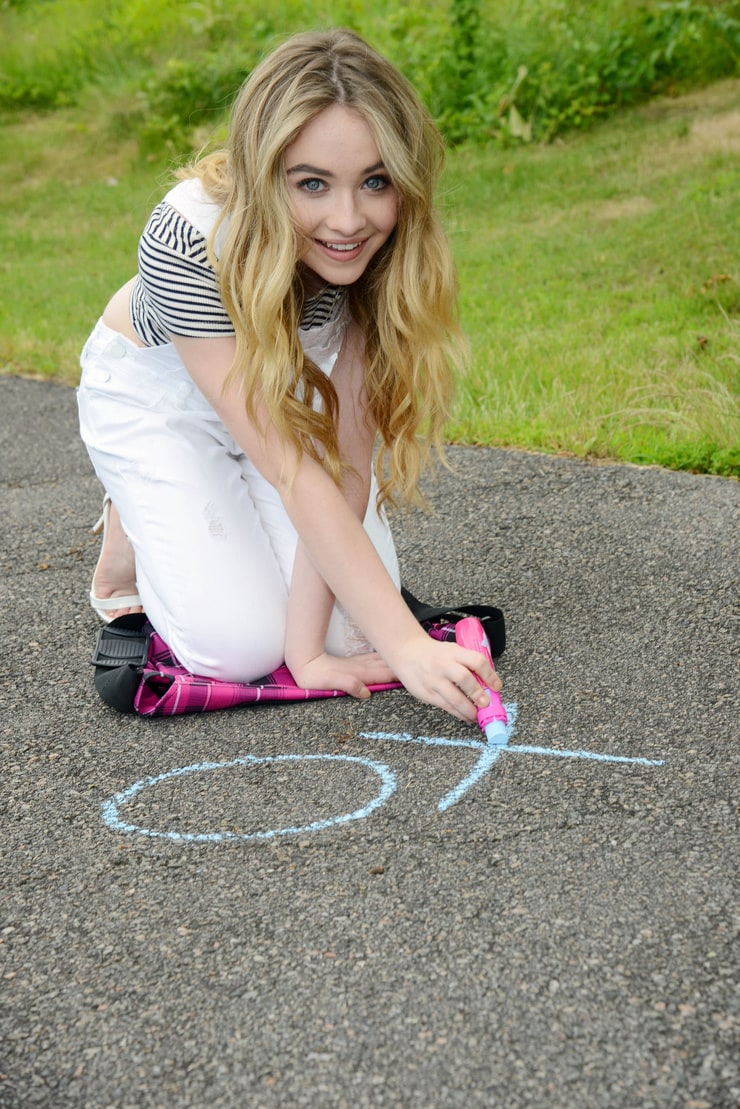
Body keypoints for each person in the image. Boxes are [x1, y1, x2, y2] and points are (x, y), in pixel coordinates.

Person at [77, 27, 501, 725]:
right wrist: (407, 644)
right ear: (263, 172)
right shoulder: (189, 236)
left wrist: (310, 653)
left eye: (375, 181)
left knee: (349, 631)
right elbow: (291, 468)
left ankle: (215, 531)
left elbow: (345, 462)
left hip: (288, 397)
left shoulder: (386, 248)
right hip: (162, 398)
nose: (347, 220)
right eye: (312, 183)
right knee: (236, 647)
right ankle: (134, 509)